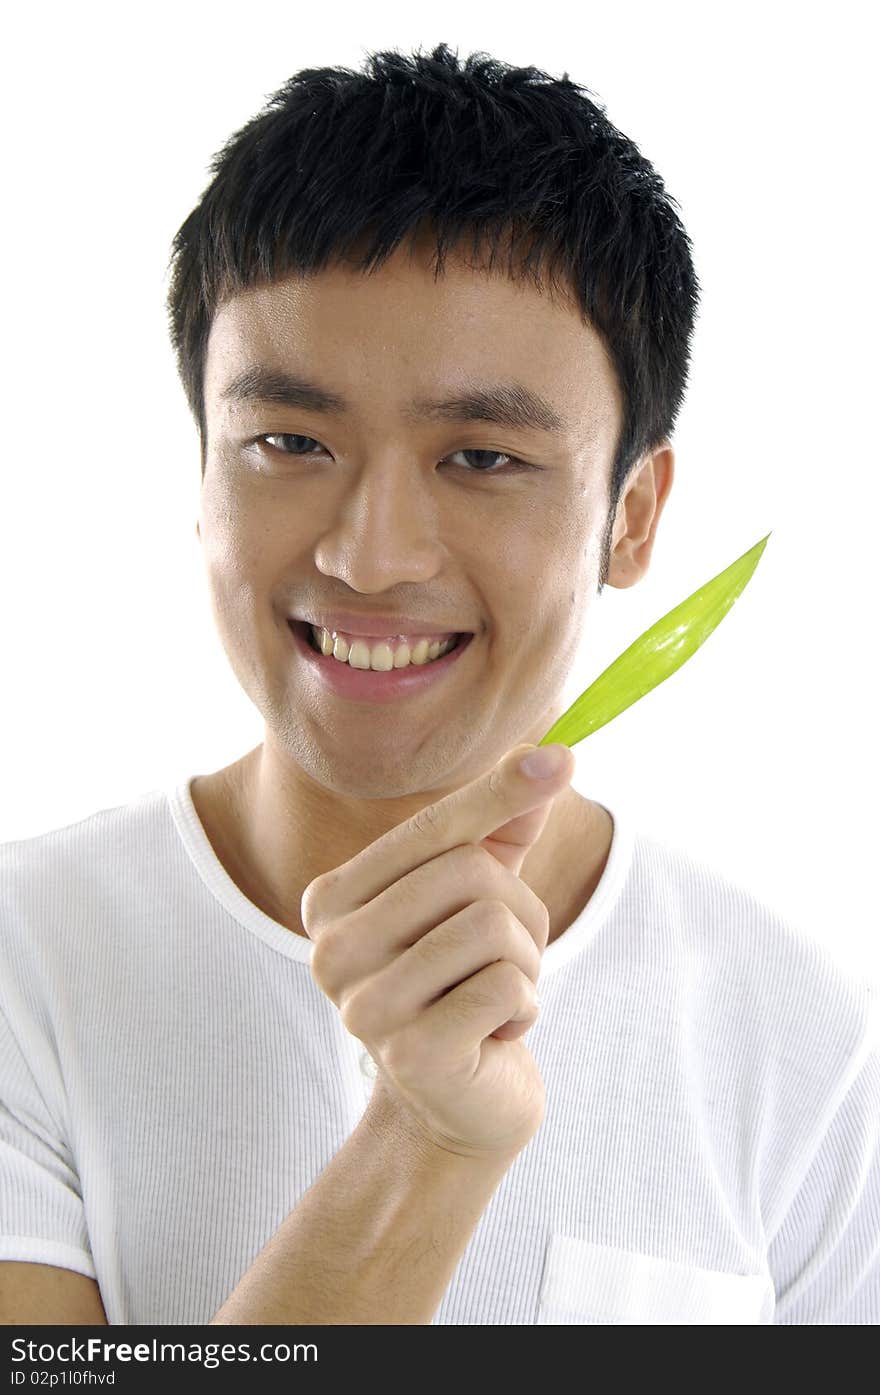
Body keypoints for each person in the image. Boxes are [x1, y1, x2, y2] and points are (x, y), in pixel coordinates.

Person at [1, 42, 877, 1328]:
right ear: (201, 471)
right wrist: (424, 1149)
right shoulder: (26, 965)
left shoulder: (804, 1041)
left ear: (631, 520)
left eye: (481, 455)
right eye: (288, 443)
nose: (368, 555)